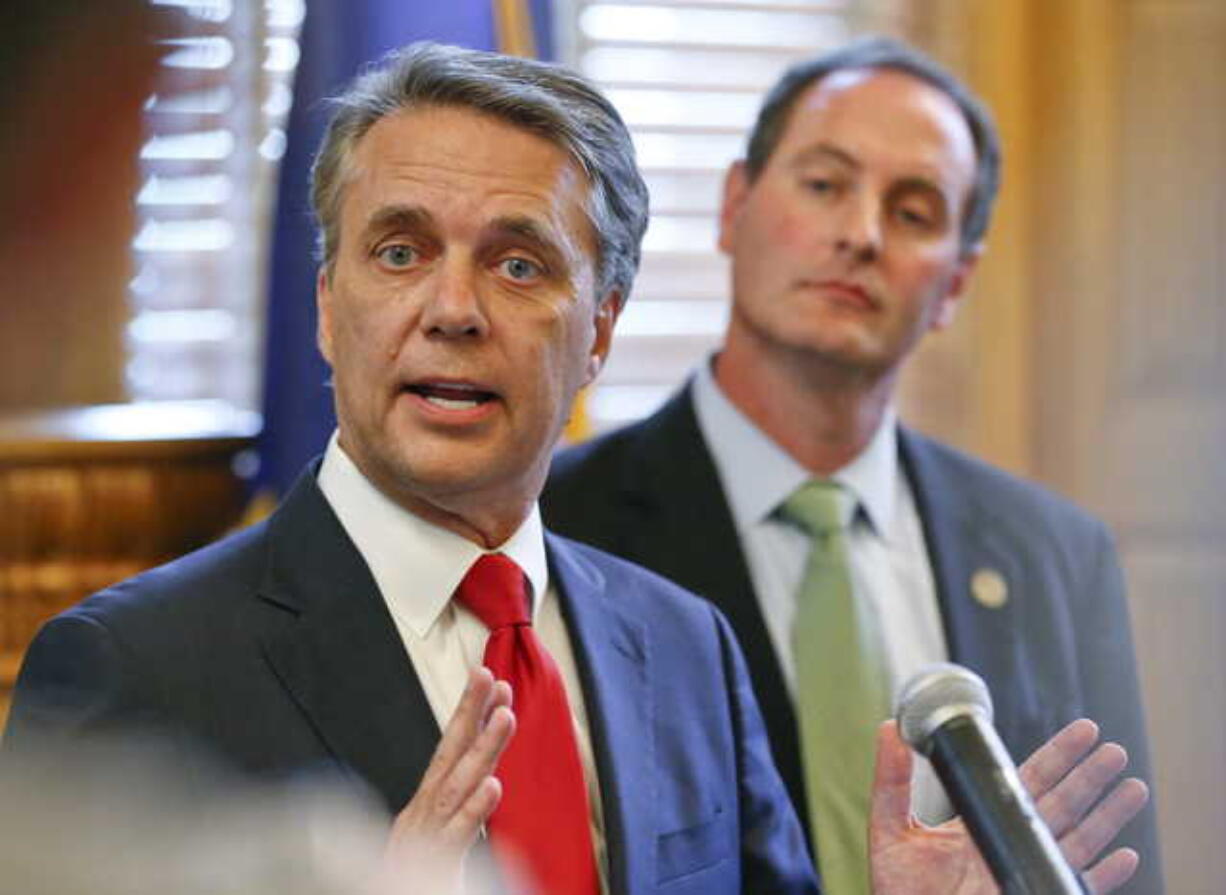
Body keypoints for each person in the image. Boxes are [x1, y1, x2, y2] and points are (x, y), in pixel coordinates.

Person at [6, 42, 1145, 895]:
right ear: (324, 303)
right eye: (398, 251)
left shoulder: (685, 641)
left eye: (517, 264)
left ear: (598, 330)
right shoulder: (129, 670)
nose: (450, 310)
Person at [542, 36, 1161, 895]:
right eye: (826, 185)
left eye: (913, 212)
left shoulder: (1056, 552)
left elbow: (1120, 872)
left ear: (954, 284)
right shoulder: (560, 523)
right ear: (734, 206)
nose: (861, 234)